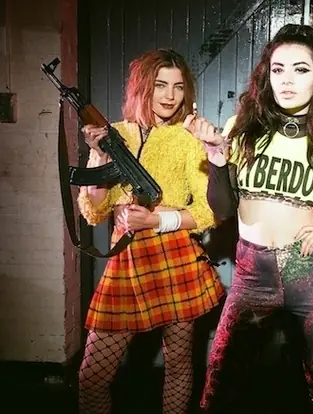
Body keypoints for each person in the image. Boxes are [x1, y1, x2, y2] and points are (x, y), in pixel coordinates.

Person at [184, 24, 313, 413]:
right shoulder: (241, 130)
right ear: (267, 75)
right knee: (219, 386)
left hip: (311, 274)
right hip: (251, 274)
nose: (287, 80)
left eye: (301, 69)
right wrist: (217, 161)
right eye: (278, 69)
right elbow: (224, 210)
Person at [76, 49, 225, 414]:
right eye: (160, 85)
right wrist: (99, 156)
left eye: (178, 86)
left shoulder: (189, 139)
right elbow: (95, 211)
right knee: (92, 376)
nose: (170, 96)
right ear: (143, 87)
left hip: (176, 258)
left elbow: (209, 212)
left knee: (178, 365)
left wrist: (156, 220)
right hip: (126, 260)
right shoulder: (115, 134)